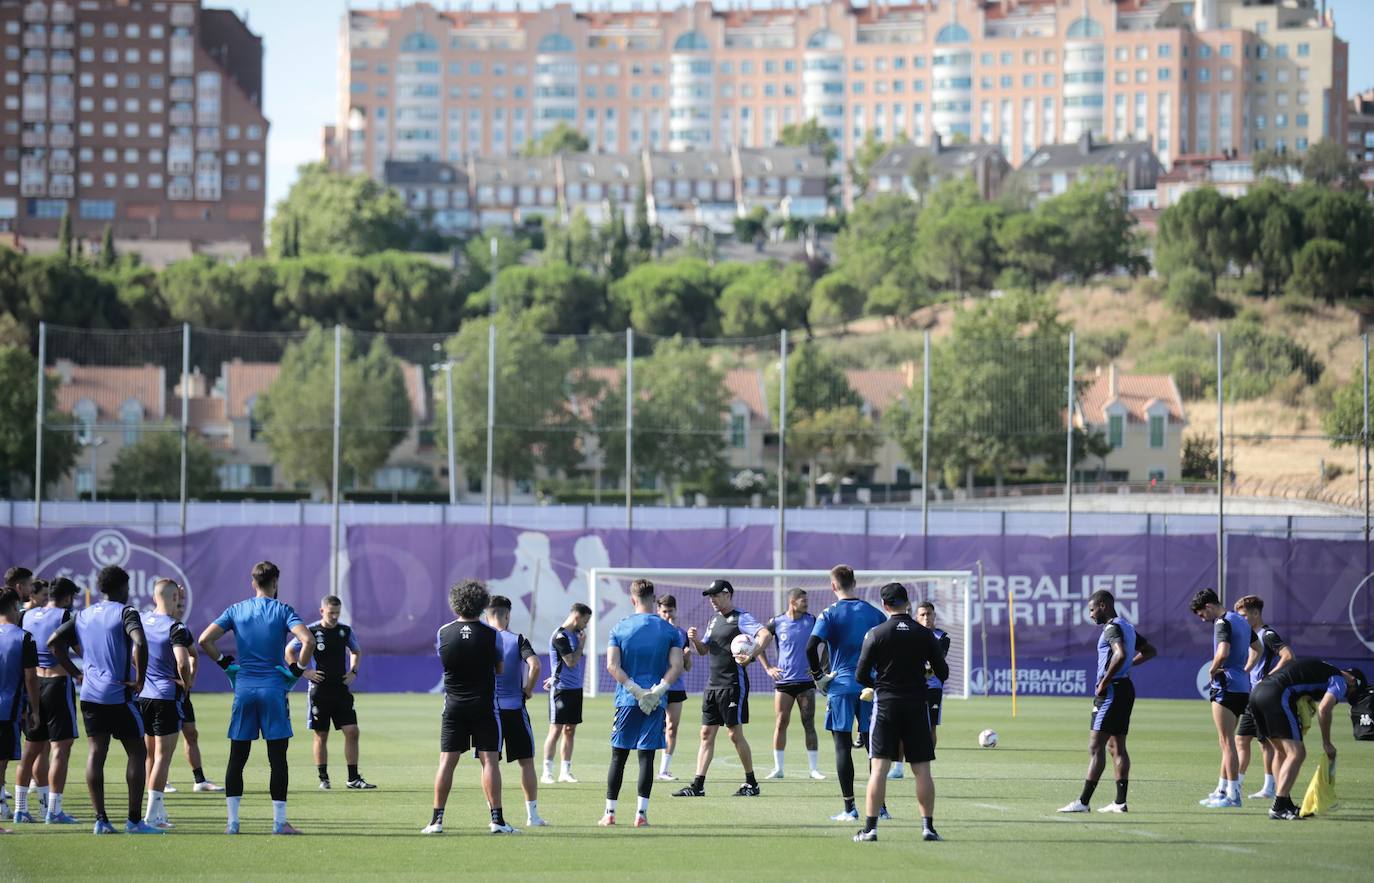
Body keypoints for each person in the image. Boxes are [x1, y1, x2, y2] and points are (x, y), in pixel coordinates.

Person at [198, 560, 317, 835]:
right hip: (274, 690)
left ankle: (233, 822)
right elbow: (308, 641)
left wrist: (226, 664)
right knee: (278, 759)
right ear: (275, 583)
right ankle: (278, 823)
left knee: (237, 757)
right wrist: (297, 670)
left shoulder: (236, 610)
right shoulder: (283, 610)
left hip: (245, 688)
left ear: (253, 583)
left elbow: (205, 640)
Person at [48, 565, 160, 834]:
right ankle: (134, 821)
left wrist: (77, 674)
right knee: (137, 751)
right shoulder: (126, 612)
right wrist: (141, 679)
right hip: (118, 694)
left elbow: (54, 642)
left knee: (96, 753)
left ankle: (101, 821)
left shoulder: (83, 614)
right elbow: (140, 643)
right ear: (122, 587)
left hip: (89, 695)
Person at [852, 582, 948, 843]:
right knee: (922, 770)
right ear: (907, 603)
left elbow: (861, 674)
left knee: (879, 769)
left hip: (886, 705)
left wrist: (877, 684)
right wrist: (923, 671)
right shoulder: (925, 634)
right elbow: (943, 672)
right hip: (917, 704)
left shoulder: (876, 633)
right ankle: (928, 827)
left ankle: (870, 829)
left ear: (884, 605)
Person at [424, 579, 516, 835]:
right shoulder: (492, 634)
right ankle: (497, 820)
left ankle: (436, 821)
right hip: (484, 705)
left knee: (447, 762)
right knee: (490, 762)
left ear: (456, 605)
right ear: (481, 604)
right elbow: (499, 668)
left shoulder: (444, 631)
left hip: (453, 706)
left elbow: (446, 662)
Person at [1057, 589, 1156, 814]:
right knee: (1116, 746)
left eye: (1092, 609)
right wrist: (1127, 667)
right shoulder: (1127, 626)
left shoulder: (1111, 628)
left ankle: (1083, 802)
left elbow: (1120, 654)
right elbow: (1150, 651)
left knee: (1095, 746)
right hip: (1125, 689)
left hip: (1112, 691)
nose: (1090, 614)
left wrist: (1105, 681)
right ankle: (1120, 803)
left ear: (1103, 606)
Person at [600, 578, 685, 828]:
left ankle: (610, 814)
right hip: (656, 702)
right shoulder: (669, 630)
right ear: (653, 598)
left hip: (627, 700)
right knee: (646, 757)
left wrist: (636, 691)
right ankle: (641, 816)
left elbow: (612, 666)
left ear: (632, 599)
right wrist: (656, 692)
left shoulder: (620, 627)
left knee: (619, 756)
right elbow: (677, 666)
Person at [806, 564, 886, 822]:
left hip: (840, 686)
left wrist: (819, 677)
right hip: (869, 686)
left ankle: (850, 809)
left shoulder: (829, 614)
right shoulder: (873, 613)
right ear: (855, 582)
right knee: (873, 747)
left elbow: (810, 648)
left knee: (843, 747)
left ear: (833, 586)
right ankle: (880, 807)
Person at [672, 579, 765, 798]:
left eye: (715, 595)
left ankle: (751, 783)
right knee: (706, 733)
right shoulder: (714, 620)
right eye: (710, 596)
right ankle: (698, 786)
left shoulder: (742, 618)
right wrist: (694, 641)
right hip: (713, 685)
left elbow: (765, 634)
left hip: (733, 684)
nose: (712, 599)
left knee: (734, 734)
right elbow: (704, 650)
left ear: (727, 595)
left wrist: (751, 655)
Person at [1248, 658, 1366, 820]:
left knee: (1281, 753)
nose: (1345, 695)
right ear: (1353, 681)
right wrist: (1327, 742)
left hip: (1257, 693)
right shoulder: (1341, 680)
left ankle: (1285, 803)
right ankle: (1279, 807)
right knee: (1297, 754)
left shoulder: (1325, 666)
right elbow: (1324, 709)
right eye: (1350, 694)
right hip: (1277, 695)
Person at [285, 595, 374, 791]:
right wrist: (303, 672)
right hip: (319, 691)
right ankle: (323, 778)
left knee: (352, 731)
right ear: (322, 611)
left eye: (337, 613)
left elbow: (356, 651)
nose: (334, 617)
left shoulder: (345, 631)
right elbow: (289, 650)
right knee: (321, 735)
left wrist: (353, 672)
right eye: (331, 612)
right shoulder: (311, 631)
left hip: (341, 690)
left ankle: (353, 778)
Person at [14, 577, 79, 825]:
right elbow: (79, 649)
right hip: (57, 684)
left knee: (31, 750)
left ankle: (21, 809)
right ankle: (54, 810)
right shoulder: (65, 616)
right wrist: (81, 672)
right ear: (67, 598)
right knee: (60, 749)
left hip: (34, 685)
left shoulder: (27, 615)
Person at [138, 578, 195, 830]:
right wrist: (186, 683)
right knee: (163, 756)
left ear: (153, 597)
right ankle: (152, 816)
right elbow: (182, 661)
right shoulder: (175, 627)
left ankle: (156, 812)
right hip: (165, 697)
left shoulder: (142, 621)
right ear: (174, 599)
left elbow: (133, 656)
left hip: (144, 697)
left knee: (150, 755)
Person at [485, 594, 545, 827]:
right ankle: (533, 816)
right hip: (515, 708)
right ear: (507, 614)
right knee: (526, 762)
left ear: (486, 615)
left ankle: (494, 816)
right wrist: (528, 689)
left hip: (490, 710)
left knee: (490, 764)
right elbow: (536, 665)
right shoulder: (518, 639)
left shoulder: (483, 639)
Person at [1189, 587, 1252, 808]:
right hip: (1242, 686)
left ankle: (1233, 795)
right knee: (1226, 742)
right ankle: (1222, 790)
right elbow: (1258, 647)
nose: (1202, 618)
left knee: (1227, 743)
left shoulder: (1222, 622)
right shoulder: (1241, 620)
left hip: (1226, 686)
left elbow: (1223, 651)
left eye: (1201, 614)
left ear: (1208, 606)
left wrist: (1213, 669)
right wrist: (1246, 668)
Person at [754, 588, 823, 780]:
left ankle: (814, 769)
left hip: (806, 682)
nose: (806, 604)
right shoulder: (776, 622)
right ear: (792, 602)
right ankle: (778, 768)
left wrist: (820, 668)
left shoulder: (812, 621)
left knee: (808, 723)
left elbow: (827, 643)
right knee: (781, 722)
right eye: (803, 601)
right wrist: (768, 668)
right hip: (784, 682)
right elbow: (758, 644)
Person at [1233, 594, 1293, 801]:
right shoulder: (1250, 635)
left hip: (1265, 696)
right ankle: (1236, 786)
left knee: (1265, 743)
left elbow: (1288, 655)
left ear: (1256, 613)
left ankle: (1269, 787)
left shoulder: (1267, 634)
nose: (1241, 619)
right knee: (1241, 739)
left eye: (1244, 615)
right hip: (1253, 695)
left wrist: (1269, 677)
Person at [170, 583, 222, 794]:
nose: (181, 608)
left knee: (191, 733)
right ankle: (159, 781)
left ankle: (199, 780)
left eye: (183, 604)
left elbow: (193, 655)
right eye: (178, 603)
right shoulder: (156, 626)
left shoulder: (181, 630)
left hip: (181, 692)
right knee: (163, 740)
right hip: (162, 693)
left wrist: (189, 680)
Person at [0, 588, 41, 835]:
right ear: (15, 607)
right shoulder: (24, 637)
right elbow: (30, 679)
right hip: (6, 711)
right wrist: (35, 710)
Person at [541, 602, 591, 785]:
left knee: (570, 730)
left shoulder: (575, 635)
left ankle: (565, 772)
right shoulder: (560, 636)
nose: (586, 625)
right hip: (560, 689)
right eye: (585, 621)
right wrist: (581, 646)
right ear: (577, 617)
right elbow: (570, 661)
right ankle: (547, 772)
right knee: (556, 730)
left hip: (575, 690)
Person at [655, 595, 691, 781]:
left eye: (670, 610)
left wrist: (687, 656)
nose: (668, 614)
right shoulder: (654, 631)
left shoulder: (682, 634)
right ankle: (646, 767)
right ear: (658, 612)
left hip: (676, 687)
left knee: (672, 727)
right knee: (653, 727)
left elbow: (687, 667)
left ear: (676, 611)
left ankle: (663, 770)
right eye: (664, 611)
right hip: (657, 685)